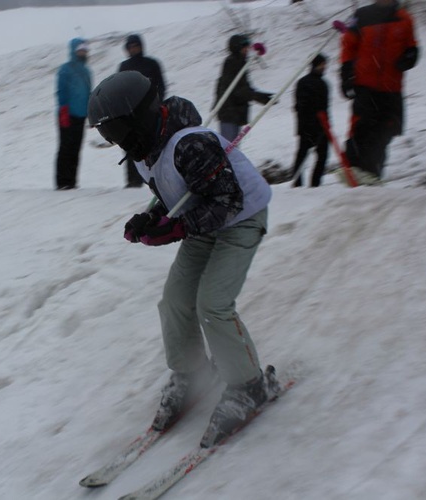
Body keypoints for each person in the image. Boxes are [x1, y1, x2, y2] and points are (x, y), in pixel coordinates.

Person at [87, 71, 273, 448]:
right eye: (108, 136)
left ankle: (249, 385)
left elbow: (227, 201)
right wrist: (153, 218)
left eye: (116, 132)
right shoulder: (144, 153)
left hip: (241, 220)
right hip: (204, 226)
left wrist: (174, 230)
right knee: (174, 300)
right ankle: (193, 374)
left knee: (213, 304)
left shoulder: (192, 144)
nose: (115, 142)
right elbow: (181, 194)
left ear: (137, 118)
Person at [339, 0, 418, 185]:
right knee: (361, 128)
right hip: (365, 85)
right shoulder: (361, 16)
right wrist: (346, 74)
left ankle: (373, 172)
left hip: (391, 88)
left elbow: (411, 46)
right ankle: (354, 168)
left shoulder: (404, 18)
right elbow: (348, 46)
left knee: (385, 131)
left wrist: (411, 56)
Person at [119, 33, 167, 188]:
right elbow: (118, 90)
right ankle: (133, 181)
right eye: (131, 47)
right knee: (131, 146)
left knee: (152, 146)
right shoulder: (124, 66)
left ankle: (154, 179)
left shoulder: (152, 64)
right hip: (130, 113)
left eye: (136, 46)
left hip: (149, 112)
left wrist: (155, 103)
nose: (134, 49)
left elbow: (161, 86)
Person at [214, 34, 273, 142]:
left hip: (234, 112)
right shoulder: (232, 63)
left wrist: (261, 96)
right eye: (244, 47)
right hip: (229, 112)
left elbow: (244, 87)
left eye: (247, 46)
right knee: (228, 148)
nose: (247, 49)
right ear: (237, 47)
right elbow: (237, 90)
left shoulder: (240, 63)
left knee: (232, 148)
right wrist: (259, 97)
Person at [55, 38, 92, 190]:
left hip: (81, 115)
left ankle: (72, 181)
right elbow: (61, 91)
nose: (82, 53)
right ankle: (62, 181)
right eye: (79, 50)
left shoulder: (87, 71)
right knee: (65, 148)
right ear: (73, 51)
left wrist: (90, 112)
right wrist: (63, 111)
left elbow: (89, 93)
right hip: (67, 115)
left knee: (76, 148)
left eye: (84, 50)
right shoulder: (65, 69)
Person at [291, 53, 330, 187]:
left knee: (321, 156)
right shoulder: (304, 83)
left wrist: (327, 126)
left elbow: (325, 108)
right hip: (308, 127)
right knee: (302, 157)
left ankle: (314, 184)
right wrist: (309, 125)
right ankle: (298, 184)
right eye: (322, 64)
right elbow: (300, 107)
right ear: (316, 65)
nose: (324, 67)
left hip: (321, 127)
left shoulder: (323, 84)